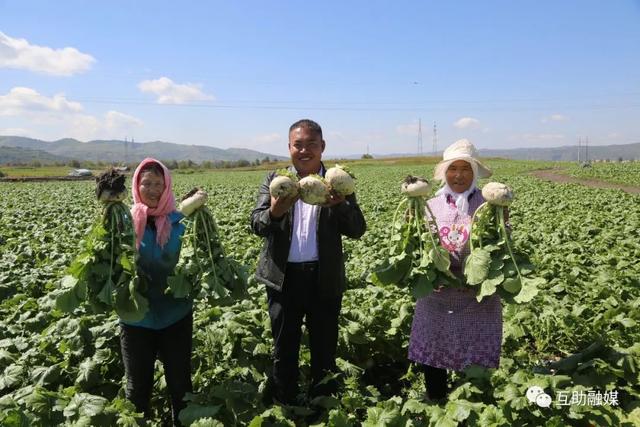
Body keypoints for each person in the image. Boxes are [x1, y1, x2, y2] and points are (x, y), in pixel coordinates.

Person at [250, 119, 366, 405]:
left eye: (311, 145)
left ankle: (322, 406)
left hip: (323, 279)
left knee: (324, 348)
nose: (304, 151)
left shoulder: (338, 182)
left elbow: (357, 230)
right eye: (297, 145)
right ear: (289, 148)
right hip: (283, 279)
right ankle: (285, 403)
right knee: (284, 347)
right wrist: (275, 212)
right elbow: (256, 224)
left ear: (322, 147)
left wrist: (340, 204)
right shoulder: (276, 181)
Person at [408, 139, 503, 401]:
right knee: (434, 352)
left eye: (465, 168)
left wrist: (503, 223)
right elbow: (418, 248)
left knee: (475, 356)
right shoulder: (428, 205)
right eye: (453, 168)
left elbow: (500, 250)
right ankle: (436, 401)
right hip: (436, 296)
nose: (458, 175)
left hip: (477, 296)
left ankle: (473, 406)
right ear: (444, 172)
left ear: (474, 173)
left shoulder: (489, 205)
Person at [120, 158, 193, 426]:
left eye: (158, 184)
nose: (152, 190)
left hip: (176, 314)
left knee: (180, 385)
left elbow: (195, 260)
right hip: (135, 317)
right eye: (146, 183)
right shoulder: (123, 222)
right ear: (136, 185)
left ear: (167, 187)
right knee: (137, 388)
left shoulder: (181, 222)